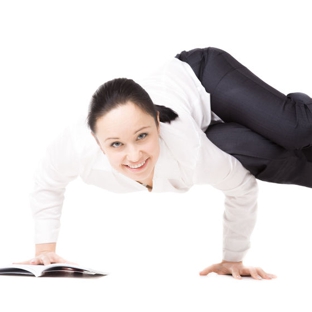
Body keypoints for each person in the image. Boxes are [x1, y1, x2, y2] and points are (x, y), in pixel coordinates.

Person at [22, 47, 312, 280]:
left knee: (296, 131)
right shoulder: (75, 148)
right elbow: (46, 183)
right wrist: (45, 249)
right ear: (97, 144)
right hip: (208, 128)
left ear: (158, 124)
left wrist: (233, 254)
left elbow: (241, 190)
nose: (134, 156)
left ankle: (294, 109)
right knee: (275, 159)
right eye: (116, 145)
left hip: (204, 75)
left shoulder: (187, 149)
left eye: (142, 136)